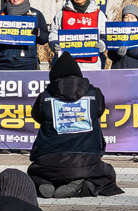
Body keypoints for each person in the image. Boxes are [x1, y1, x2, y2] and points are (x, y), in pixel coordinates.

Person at [28, 54, 122, 198]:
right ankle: (82, 185)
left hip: (47, 162)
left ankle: (43, 183)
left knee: (34, 173)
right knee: (106, 174)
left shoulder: (45, 96)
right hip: (86, 161)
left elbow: (37, 117)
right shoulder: (94, 94)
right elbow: (99, 112)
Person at [0, 0, 50, 71]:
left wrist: (38, 33)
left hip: (27, 62)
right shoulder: (1, 14)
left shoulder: (35, 14)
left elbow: (45, 39)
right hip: (4, 62)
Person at [58, 0, 106, 71]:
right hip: (67, 64)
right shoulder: (62, 13)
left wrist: (102, 44)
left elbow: (105, 35)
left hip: (91, 65)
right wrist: (54, 43)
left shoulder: (98, 14)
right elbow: (54, 33)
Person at [109, 3, 138, 69]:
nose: (129, 20)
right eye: (126, 17)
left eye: (132, 17)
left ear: (137, 19)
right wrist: (118, 53)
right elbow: (110, 54)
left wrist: (128, 49)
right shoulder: (117, 30)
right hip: (119, 69)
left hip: (137, 69)